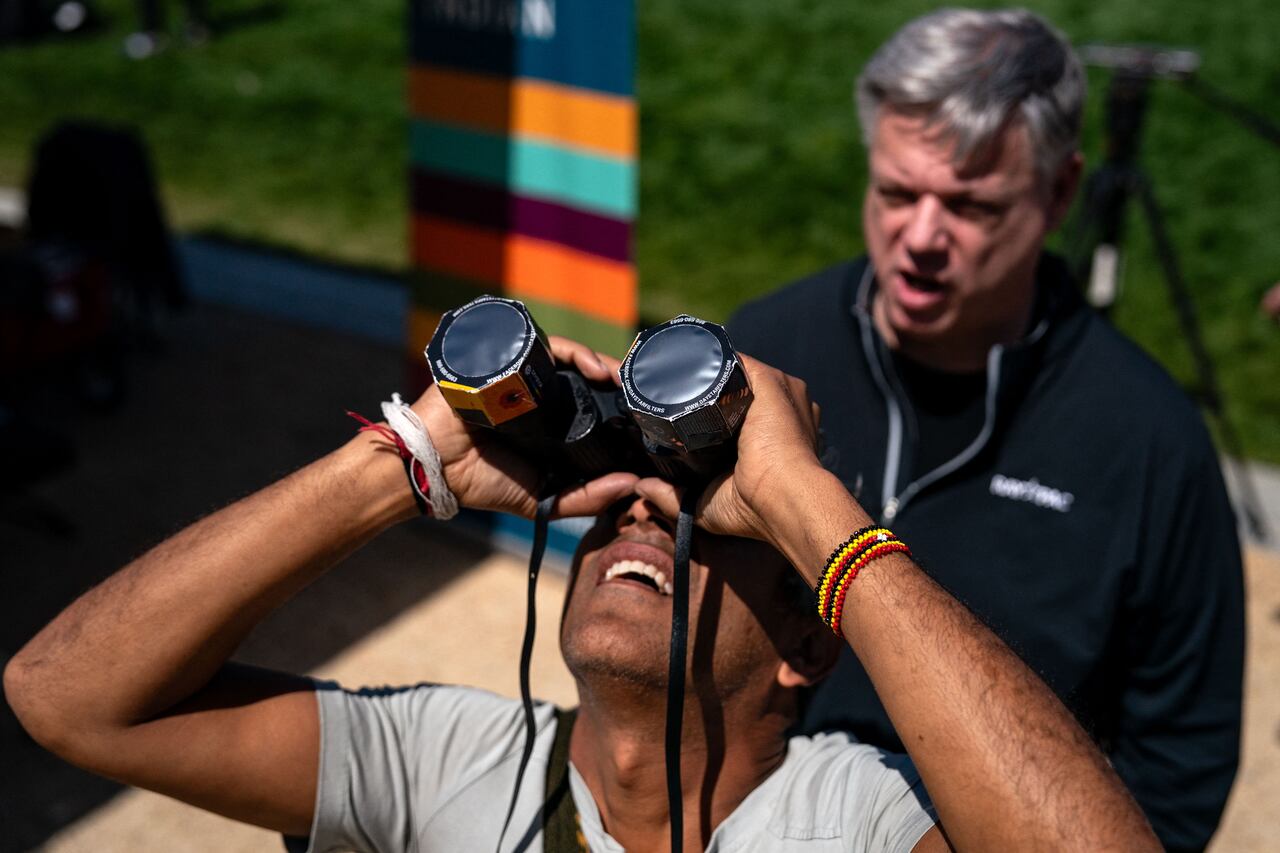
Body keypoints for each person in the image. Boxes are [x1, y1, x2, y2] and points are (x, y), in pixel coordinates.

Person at [4, 337, 1159, 851]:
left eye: (704, 508)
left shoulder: (850, 821)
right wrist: (404, 463)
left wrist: (801, 500)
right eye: (615, 497)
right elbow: (67, 696)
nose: (643, 510)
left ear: (808, 637)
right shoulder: (453, 762)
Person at [727, 9, 1245, 851]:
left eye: (970, 205)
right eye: (897, 191)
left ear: (1060, 190)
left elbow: (1180, 759)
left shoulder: (1150, 440)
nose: (921, 236)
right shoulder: (771, 351)